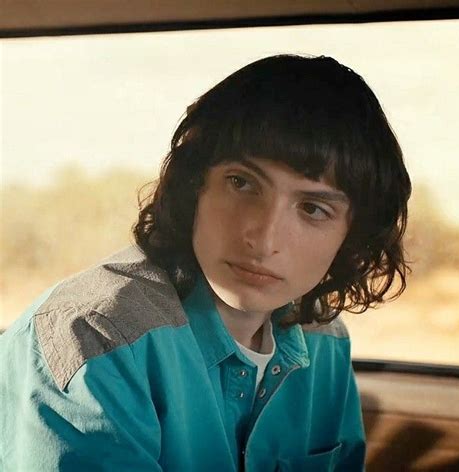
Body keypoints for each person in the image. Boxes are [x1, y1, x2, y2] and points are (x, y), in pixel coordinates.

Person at [0, 54, 411, 471]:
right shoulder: (96, 337)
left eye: (312, 209)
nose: (264, 239)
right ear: (195, 184)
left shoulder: (325, 341)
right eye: (242, 183)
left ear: (351, 237)